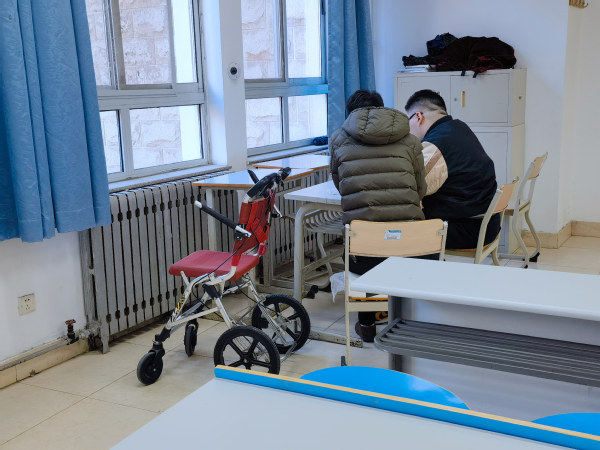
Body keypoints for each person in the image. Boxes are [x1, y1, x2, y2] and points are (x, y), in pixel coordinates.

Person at [330, 89, 427, 342]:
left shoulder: (337, 140)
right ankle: (408, 318)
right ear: (382, 109)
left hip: (363, 255)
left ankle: (367, 323)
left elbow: (341, 185)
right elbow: (420, 190)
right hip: (411, 250)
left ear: (350, 114)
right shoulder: (410, 140)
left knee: (364, 242)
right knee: (398, 241)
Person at [404, 89, 499, 249]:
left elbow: (411, 188)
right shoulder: (459, 127)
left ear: (418, 117)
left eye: (408, 121)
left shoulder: (436, 144)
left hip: (467, 229)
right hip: (485, 223)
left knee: (396, 227)